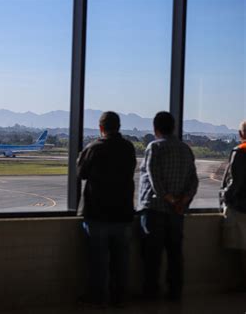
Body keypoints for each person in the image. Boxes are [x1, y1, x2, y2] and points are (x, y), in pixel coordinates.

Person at [77, 111, 137, 308]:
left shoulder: (94, 148)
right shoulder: (128, 148)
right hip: (123, 213)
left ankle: (98, 299)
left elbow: (81, 173)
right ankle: (119, 298)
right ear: (118, 127)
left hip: (98, 214)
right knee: (121, 262)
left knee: (98, 262)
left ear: (100, 128)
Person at [137, 111, 198, 301]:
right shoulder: (185, 149)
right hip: (177, 212)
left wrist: (170, 199)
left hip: (155, 210)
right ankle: (175, 293)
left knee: (152, 256)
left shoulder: (154, 147)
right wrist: (183, 201)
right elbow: (193, 181)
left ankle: (150, 294)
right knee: (175, 255)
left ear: (156, 129)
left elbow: (154, 179)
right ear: (173, 128)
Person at [221, 120, 246, 285]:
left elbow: (235, 181)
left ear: (241, 134)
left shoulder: (240, 152)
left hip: (241, 207)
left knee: (242, 250)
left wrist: (225, 197)